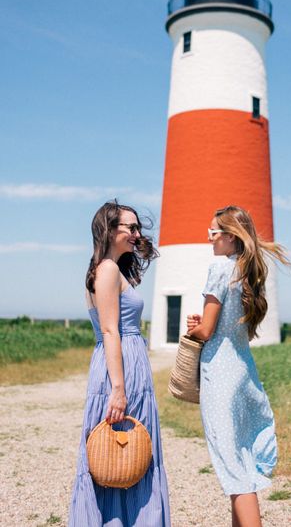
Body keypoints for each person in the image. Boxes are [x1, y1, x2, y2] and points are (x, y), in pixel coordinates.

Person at [187, 205, 290, 527]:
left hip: (220, 375)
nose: (210, 240)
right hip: (243, 371)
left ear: (230, 237)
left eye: (213, 234)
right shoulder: (247, 272)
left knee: (233, 469)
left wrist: (196, 327)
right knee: (242, 463)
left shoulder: (219, 269)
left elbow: (207, 331)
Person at [69, 200, 171, 527]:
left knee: (125, 455)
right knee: (124, 452)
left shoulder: (107, 267)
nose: (137, 234)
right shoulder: (108, 269)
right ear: (110, 230)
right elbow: (110, 329)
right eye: (131, 227)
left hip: (124, 364)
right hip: (120, 368)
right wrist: (118, 388)